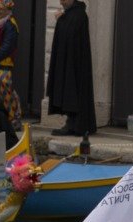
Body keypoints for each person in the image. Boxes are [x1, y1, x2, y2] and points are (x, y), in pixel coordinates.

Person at [46, 0, 95, 137]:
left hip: (75, 64)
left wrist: (61, 21)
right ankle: (71, 122)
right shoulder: (70, 15)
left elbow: (72, 35)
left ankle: (76, 124)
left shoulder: (79, 15)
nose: (61, 2)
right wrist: (62, 20)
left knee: (74, 93)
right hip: (69, 63)